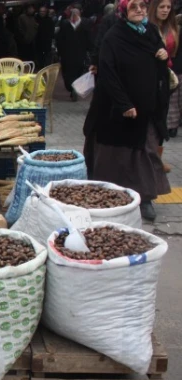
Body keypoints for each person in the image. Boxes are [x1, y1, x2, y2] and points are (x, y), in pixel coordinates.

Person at [83, 0, 171, 221]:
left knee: (147, 151)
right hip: (117, 111)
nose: (140, 10)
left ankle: (146, 198)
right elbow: (108, 72)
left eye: (143, 5)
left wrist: (162, 55)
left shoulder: (150, 30)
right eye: (134, 7)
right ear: (124, 11)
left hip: (147, 107)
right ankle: (111, 197)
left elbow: (159, 62)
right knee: (117, 157)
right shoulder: (114, 36)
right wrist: (124, 104)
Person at [148, 0, 178, 173]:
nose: (165, 10)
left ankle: (157, 158)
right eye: (162, 7)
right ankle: (149, 158)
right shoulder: (148, 28)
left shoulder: (172, 28)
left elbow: (174, 52)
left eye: (168, 7)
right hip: (151, 78)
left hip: (167, 77)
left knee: (162, 117)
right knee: (152, 118)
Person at [57, 8, 93, 100]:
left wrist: (90, 50)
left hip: (80, 53)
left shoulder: (85, 24)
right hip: (67, 53)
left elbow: (89, 38)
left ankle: (74, 88)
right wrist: (60, 52)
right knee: (67, 71)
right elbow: (60, 39)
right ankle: (71, 86)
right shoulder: (65, 24)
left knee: (79, 71)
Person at [91, 1, 120, 74]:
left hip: (111, 60)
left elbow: (100, 42)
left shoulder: (107, 19)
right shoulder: (140, 20)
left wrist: (94, 62)